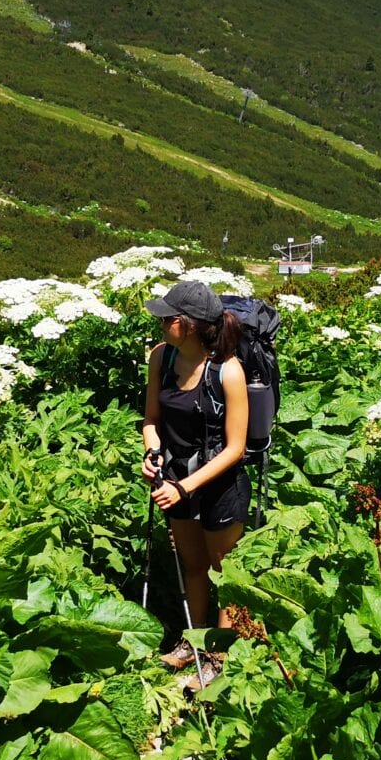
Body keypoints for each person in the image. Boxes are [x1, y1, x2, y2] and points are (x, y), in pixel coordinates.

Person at [141, 280, 249, 676]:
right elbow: (151, 420)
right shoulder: (161, 358)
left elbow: (235, 449)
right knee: (193, 566)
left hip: (218, 486)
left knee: (227, 572)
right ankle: (194, 641)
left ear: (188, 325)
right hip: (174, 480)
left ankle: (220, 657)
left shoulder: (228, 372)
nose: (159, 322)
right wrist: (152, 453)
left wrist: (184, 486)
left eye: (167, 318)